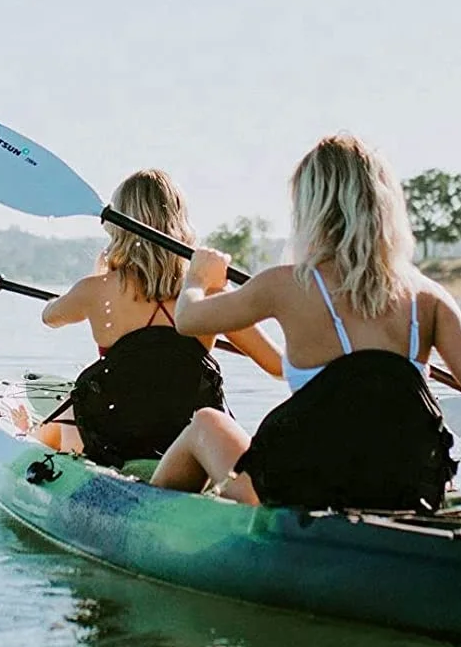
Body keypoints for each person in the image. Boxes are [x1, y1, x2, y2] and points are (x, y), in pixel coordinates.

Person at [151, 134, 461, 511]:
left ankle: (149, 523)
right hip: (406, 488)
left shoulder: (286, 285)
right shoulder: (429, 299)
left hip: (304, 487)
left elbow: (187, 320)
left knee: (205, 423)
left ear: (310, 209)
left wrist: (199, 279)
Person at [30, 169, 281, 467]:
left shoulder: (94, 291)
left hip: (113, 440)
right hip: (183, 440)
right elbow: (278, 366)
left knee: (68, 411)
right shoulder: (208, 292)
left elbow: (50, 317)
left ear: (117, 228)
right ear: (180, 224)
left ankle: (31, 440)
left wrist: (79, 291)